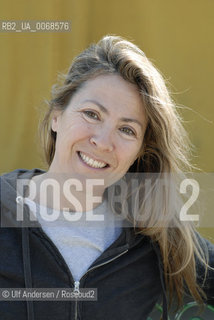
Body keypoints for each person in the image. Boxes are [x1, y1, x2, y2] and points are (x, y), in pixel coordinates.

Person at [0, 35, 214, 320]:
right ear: (56, 115)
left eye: (127, 130)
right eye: (92, 114)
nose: (102, 141)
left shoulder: (159, 239)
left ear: (140, 151)